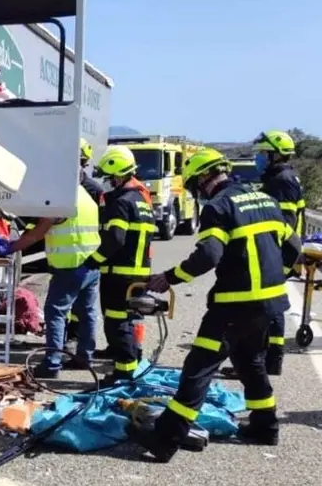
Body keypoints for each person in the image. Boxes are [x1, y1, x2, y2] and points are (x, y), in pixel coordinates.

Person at [137, 147, 302, 462]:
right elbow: (294, 246)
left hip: (233, 306)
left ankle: (165, 438)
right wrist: (275, 278)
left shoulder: (218, 207)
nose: (195, 192)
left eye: (194, 185)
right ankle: (265, 427)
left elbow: (208, 256)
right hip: (269, 305)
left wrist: (169, 278)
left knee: (198, 367)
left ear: (202, 178)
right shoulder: (266, 200)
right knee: (251, 363)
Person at [223, 130, 304, 378]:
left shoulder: (282, 181)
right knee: (272, 307)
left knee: (269, 309)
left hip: (279, 252)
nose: (258, 158)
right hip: (282, 251)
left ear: (274, 155)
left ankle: (263, 361)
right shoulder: (281, 177)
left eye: (261, 154)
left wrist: (279, 256)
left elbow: (284, 223)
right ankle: (268, 361)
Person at [7, 183, 101, 379]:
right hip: (91, 264)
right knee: (87, 313)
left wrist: (9, 248)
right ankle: (84, 358)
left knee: (55, 313)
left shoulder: (62, 199)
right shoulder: (86, 198)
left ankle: (51, 364)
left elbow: (36, 234)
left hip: (69, 267)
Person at [81, 146, 156, 385]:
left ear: (118, 173)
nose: (108, 181)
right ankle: (129, 364)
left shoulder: (121, 202)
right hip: (138, 273)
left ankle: (123, 374)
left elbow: (115, 239)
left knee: (117, 322)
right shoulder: (141, 200)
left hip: (120, 274)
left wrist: (95, 260)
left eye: (109, 176)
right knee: (127, 321)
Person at [66, 138, 106, 344]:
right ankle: (73, 336)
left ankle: (76, 338)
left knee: (80, 305)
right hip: (69, 253)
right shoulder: (63, 186)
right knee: (78, 305)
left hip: (86, 256)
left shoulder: (93, 190)